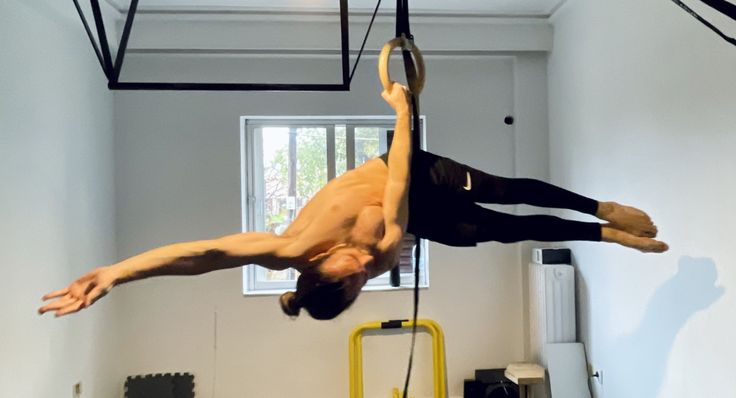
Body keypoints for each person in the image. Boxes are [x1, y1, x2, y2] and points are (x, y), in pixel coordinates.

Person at [38, 83, 668, 321]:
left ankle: (598, 207)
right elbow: (394, 221)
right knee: (501, 234)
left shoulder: (287, 250)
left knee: (505, 192)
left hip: (403, 173)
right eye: (364, 279)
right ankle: (604, 238)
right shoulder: (386, 252)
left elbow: (202, 255)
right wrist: (378, 258)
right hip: (406, 211)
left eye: (354, 271)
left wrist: (119, 270)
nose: (369, 267)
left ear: (316, 265)